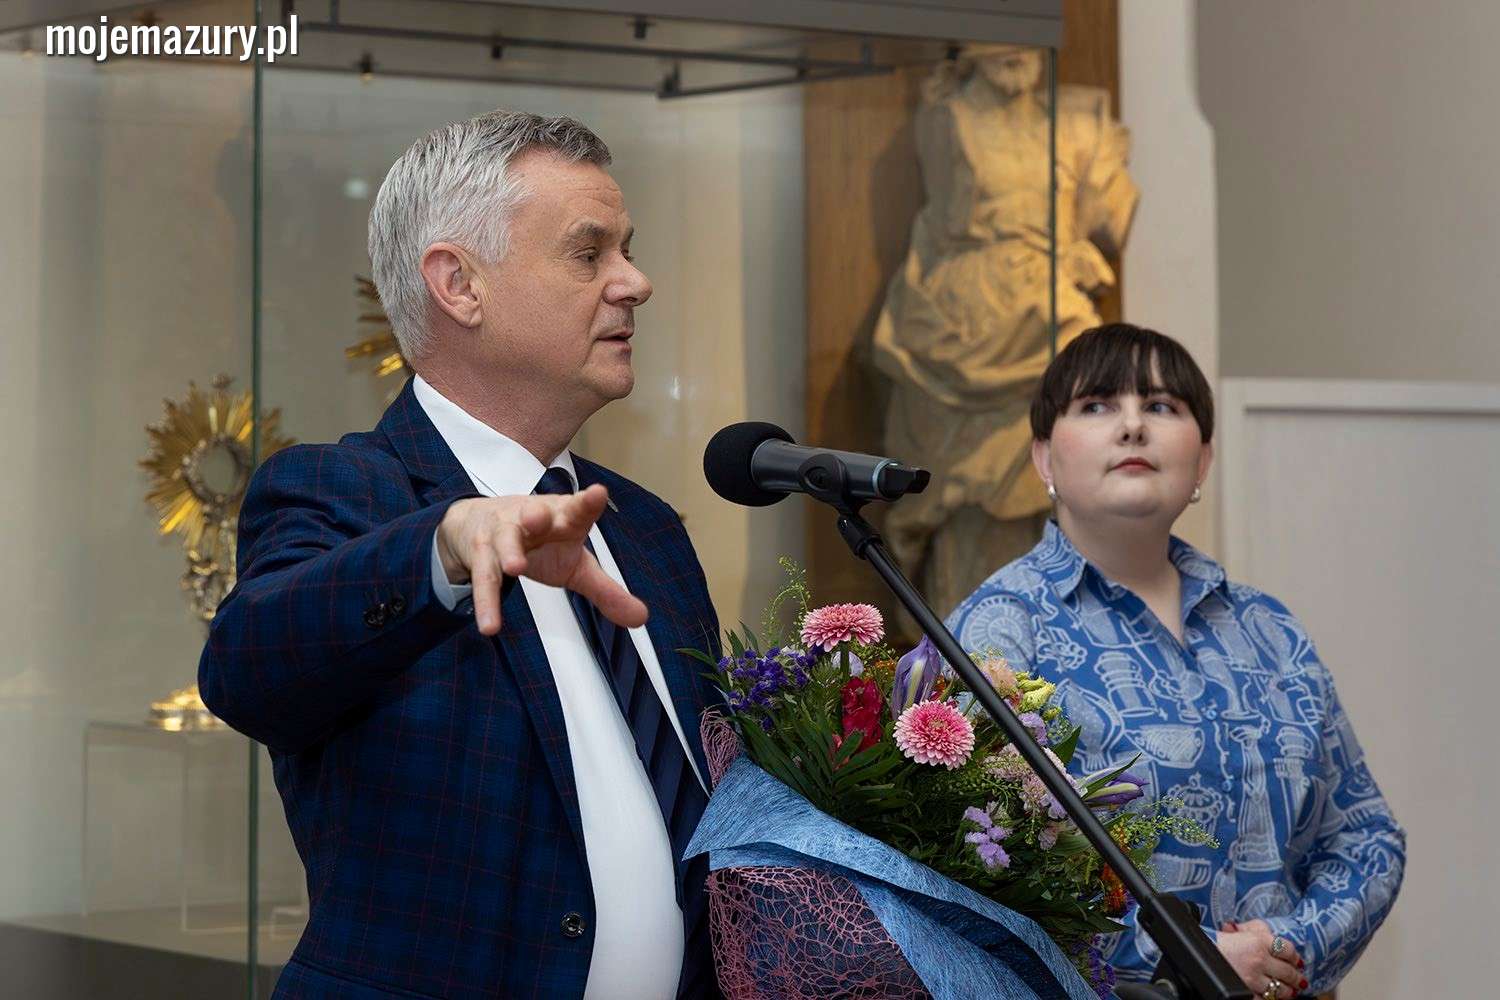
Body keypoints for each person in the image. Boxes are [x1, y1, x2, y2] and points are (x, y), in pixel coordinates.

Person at [199, 112, 722, 1000]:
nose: (636, 282)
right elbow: (248, 668)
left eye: (627, 250)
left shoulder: (646, 529)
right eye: (589, 253)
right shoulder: (345, 492)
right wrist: (441, 548)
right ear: (459, 285)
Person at [946, 324, 1405, 998]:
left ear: (1203, 461)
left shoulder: (1269, 628)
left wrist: (1289, 946)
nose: (1133, 425)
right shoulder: (999, 630)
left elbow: (1366, 835)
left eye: (1162, 406)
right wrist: (1191, 961)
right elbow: (977, 863)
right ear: (1044, 458)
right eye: (1097, 405)